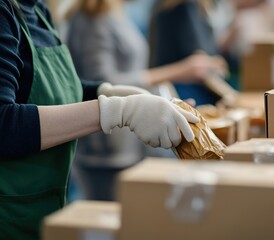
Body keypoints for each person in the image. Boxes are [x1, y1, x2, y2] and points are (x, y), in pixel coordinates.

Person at [0, 0, 199, 239]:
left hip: (46, 205)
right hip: (9, 214)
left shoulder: (38, 11)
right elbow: (4, 125)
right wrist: (119, 111)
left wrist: (108, 92)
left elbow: (60, 88)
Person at [64, 0, 227, 201]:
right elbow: (101, 81)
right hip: (104, 145)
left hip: (126, 138)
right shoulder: (92, 18)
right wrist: (179, 71)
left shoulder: (117, 13)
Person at [150, 0, 232, 106]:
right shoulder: (184, 6)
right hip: (182, 88)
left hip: (175, 85)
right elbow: (198, 59)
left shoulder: (189, 7)